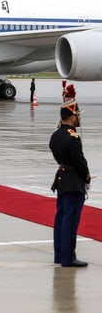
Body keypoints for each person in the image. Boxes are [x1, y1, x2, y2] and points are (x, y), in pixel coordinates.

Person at [50, 97, 90, 267]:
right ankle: (68, 258)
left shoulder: (56, 135)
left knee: (60, 218)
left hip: (62, 178)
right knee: (70, 220)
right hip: (73, 181)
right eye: (78, 115)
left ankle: (59, 255)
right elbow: (79, 160)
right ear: (72, 116)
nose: (79, 118)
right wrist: (86, 176)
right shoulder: (72, 136)